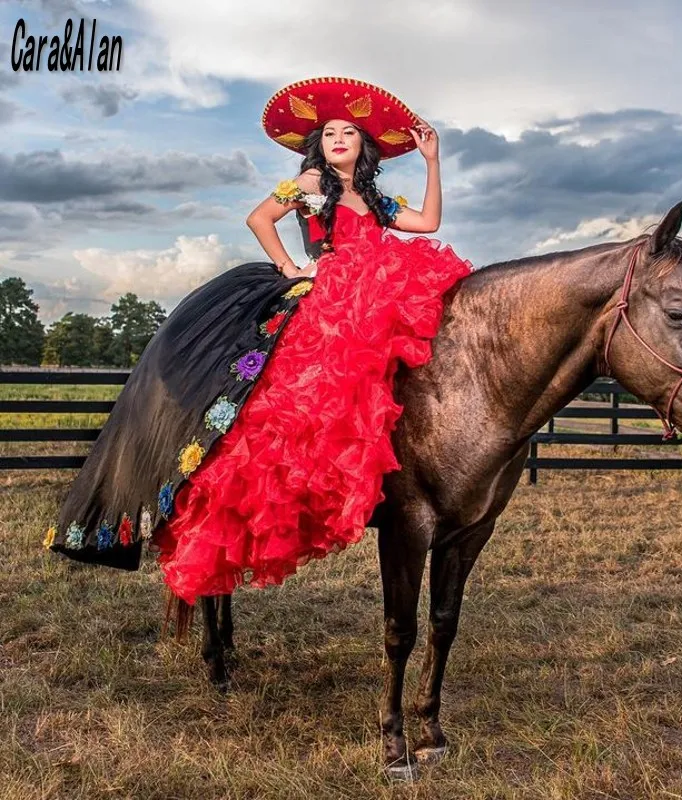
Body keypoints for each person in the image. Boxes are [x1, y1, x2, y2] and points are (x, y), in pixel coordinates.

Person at [44, 77, 473, 604]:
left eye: (349, 133)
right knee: (299, 383)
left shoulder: (376, 198)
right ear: (319, 144)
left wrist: (432, 160)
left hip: (371, 293)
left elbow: (429, 222)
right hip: (329, 290)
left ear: (364, 145)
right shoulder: (313, 183)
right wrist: (291, 265)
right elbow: (259, 217)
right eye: (330, 132)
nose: (339, 138)